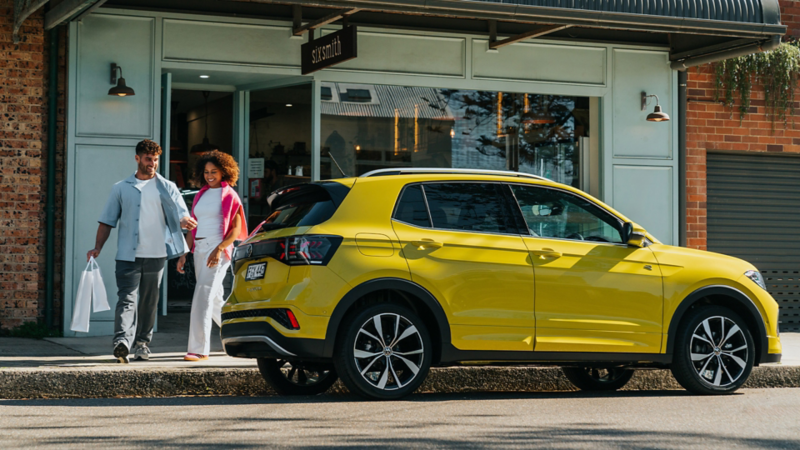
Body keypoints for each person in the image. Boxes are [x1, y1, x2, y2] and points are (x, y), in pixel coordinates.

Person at [88, 139, 197, 364]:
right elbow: (107, 221)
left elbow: (181, 214)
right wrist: (98, 247)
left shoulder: (167, 187)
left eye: (155, 160)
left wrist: (186, 221)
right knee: (126, 299)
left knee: (149, 302)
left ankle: (141, 344)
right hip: (127, 256)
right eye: (148, 159)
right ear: (137, 158)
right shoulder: (120, 188)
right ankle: (122, 342)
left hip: (157, 255)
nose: (152, 164)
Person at [177, 150, 248, 361]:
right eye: (206, 172)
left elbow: (236, 230)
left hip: (218, 250)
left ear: (224, 172)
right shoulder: (201, 194)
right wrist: (184, 253)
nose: (209, 175)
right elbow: (193, 228)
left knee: (202, 295)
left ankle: (199, 349)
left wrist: (218, 249)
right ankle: (243, 336)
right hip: (199, 249)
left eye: (214, 172)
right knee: (215, 299)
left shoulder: (229, 195)